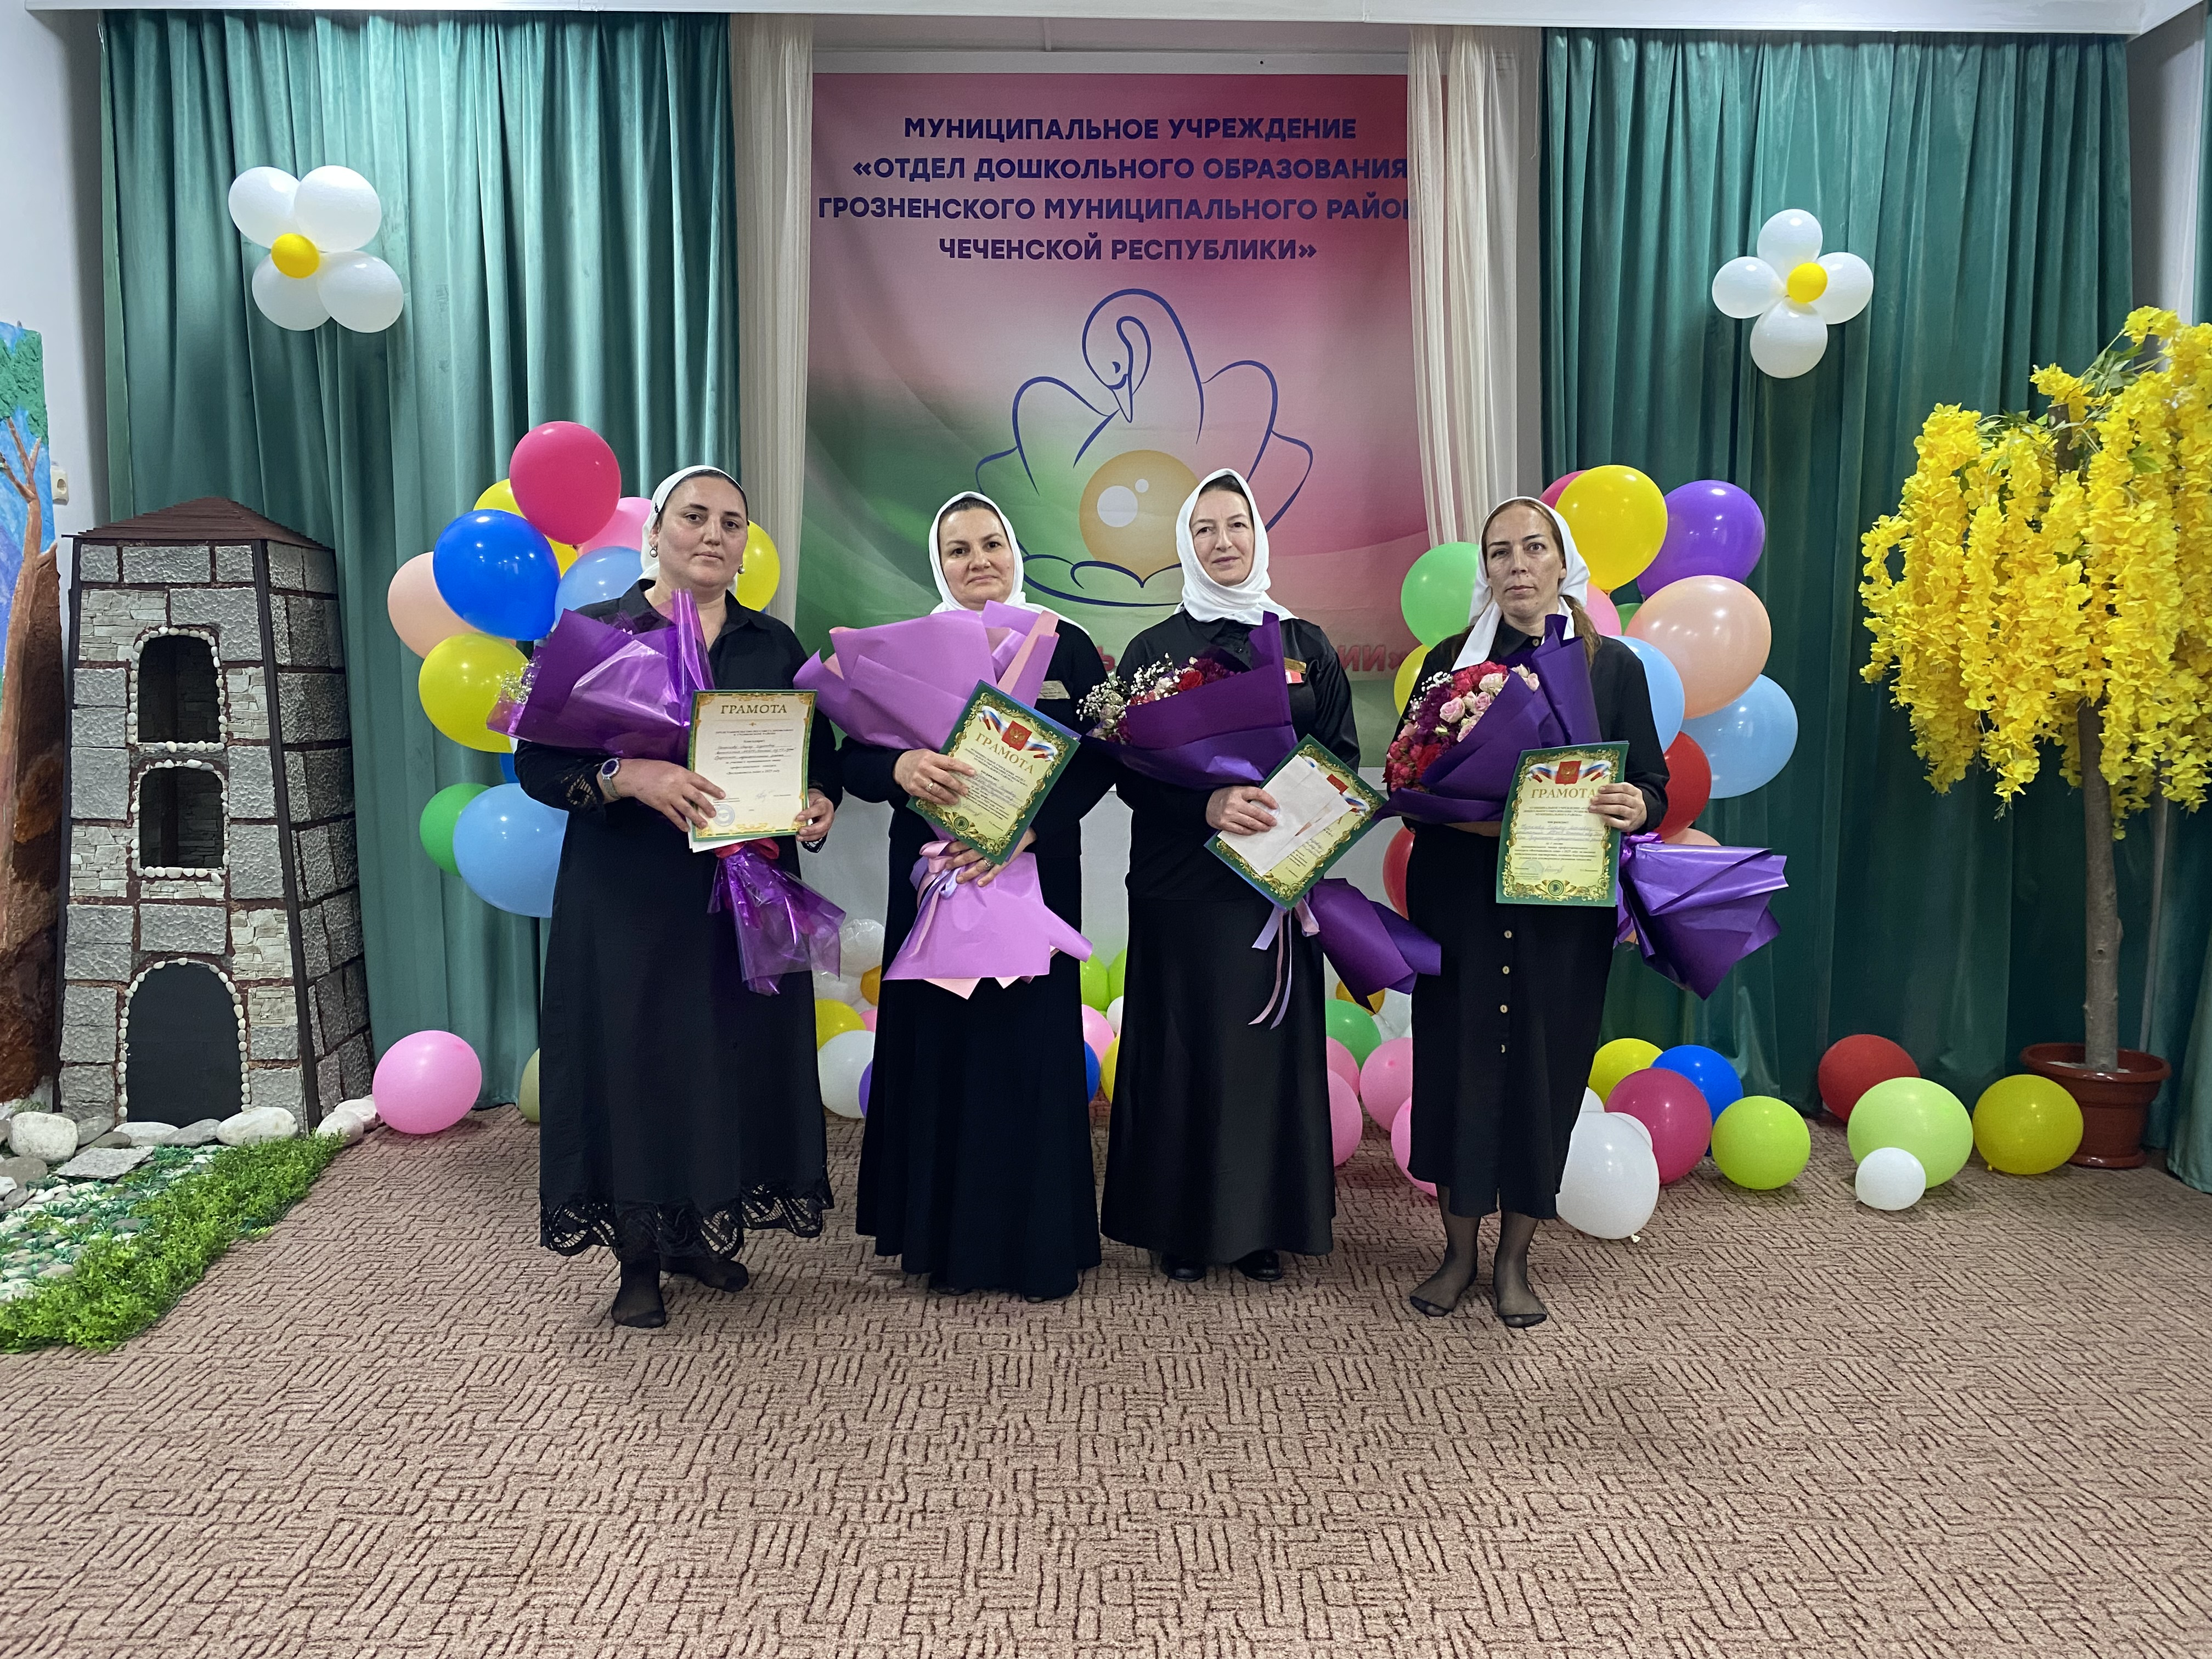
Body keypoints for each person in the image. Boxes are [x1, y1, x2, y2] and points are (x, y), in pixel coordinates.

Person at [518, 465, 842, 1329]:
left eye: (732, 523)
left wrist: (820, 801)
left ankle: (699, 1232)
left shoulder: (771, 644)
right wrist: (630, 776)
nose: (714, 535)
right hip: (630, 894)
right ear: (656, 531)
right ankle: (638, 1257)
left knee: (723, 1057)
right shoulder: (597, 634)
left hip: (742, 892)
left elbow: (819, 757)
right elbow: (539, 765)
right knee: (639, 1061)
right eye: (695, 517)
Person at [1398, 496, 1668, 1328]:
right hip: (1463, 900)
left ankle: (1514, 1261)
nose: (1518, 565)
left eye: (1534, 548)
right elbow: (1408, 781)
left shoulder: (1612, 668)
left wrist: (1636, 804)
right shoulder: (1450, 663)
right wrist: (1464, 809)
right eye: (1500, 552)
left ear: (1563, 561)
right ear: (1486, 570)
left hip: (1560, 911)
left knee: (1543, 1073)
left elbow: (1652, 785)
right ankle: (1455, 1253)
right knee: (1458, 1064)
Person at [842, 492, 1115, 1301]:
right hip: (936, 877)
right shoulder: (904, 648)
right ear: (939, 564)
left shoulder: (1064, 644)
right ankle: (944, 1243)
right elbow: (851, 756)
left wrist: (1029, 831)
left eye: (991, 543)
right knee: (945, 1051)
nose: (978, 561)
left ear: (1014, 551)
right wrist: (898, 769)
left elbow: (1104, 757)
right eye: (957, 549)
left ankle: (1038, 1243)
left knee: (1028, 1052)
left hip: (1031, 878)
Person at [1100, 467, 1358, 1285]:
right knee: (1185, 1050)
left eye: (1236, 525)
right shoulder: (1153, 651)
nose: (1223, 542)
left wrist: (1296, 819)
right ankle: (1179, 1226)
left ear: (1259, 535)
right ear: (1186, 544)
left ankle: (1260, 1225)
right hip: (1182, 885)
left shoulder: (1306, 644)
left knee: (1263, 1053)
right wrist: (1206, 805)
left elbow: (1342, 756)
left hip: (1273, 885)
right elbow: (1128, 772)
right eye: (1205, 529)